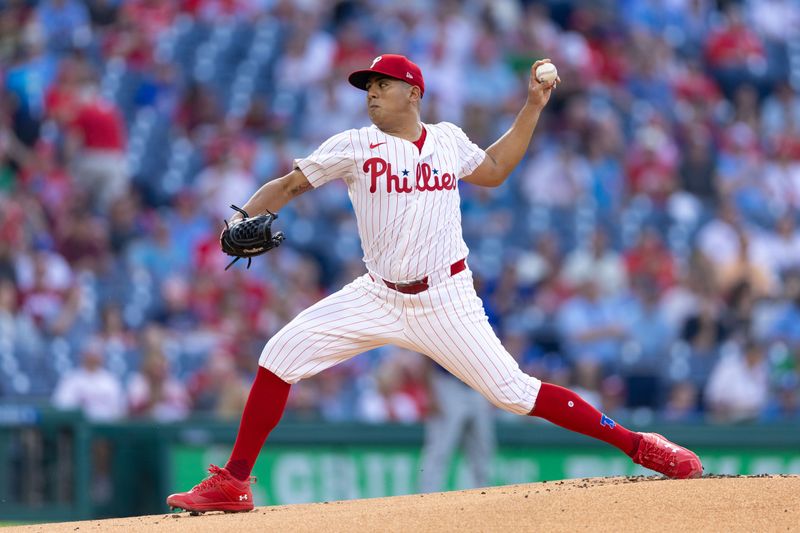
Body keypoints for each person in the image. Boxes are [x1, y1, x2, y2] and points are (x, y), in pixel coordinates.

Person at [167, 54, 702, 514]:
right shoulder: (355, 145)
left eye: (382, 85)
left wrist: (534, 106)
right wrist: (236, 222)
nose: (371, 94)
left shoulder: (447, 140)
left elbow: (493, 169)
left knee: (515, 393)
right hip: (377, 294)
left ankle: (639, 445)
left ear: (413, 92)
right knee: (279, 354)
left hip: (446, 298)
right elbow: (286, 185)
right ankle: (234, 483)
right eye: (367, 87)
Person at [419, 361, 495, 493]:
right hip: (447, 383)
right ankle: (427, 498)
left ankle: (484, 499)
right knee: (439, 449)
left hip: (477, 385)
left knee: (483, 451)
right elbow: (425, 353)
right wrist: (431, 393)